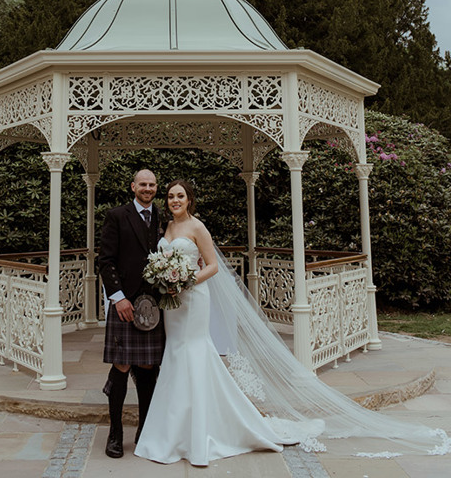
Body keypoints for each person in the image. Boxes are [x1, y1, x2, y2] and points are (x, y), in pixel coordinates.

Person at [135, 179, 451, 466]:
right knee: (175, 354)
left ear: (190, 199)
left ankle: (202, 432)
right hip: (172, 304)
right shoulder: (167, 228)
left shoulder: (197, 227)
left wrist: (188, 280)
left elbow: (214, 266)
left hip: (193, 300)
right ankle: (172, 432)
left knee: (194, 352)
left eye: (180, 196)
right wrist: (167, 280)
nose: (175, 200)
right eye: (171, 196)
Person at [98, 168, 165, 458]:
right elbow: (106, 260)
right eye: (142, 184)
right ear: (133, 186)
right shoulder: (117, 216)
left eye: (151, 185)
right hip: (125, 302)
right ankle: (115, 433)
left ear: (155, 188)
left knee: (149, 366)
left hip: (155, 304)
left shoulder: (163, 216)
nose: (147, 189)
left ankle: (144, 429)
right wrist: (118, 298)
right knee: (123, 365)